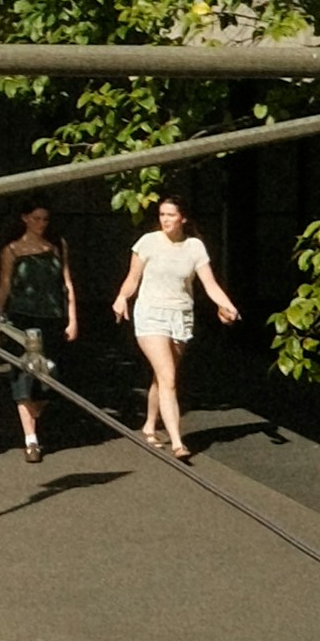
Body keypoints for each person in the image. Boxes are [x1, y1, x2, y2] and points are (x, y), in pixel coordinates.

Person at [116, 189, 238, 461]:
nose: (165, 220)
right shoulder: (147, 242)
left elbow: (210, 284)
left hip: (180, 317)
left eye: (171, 215)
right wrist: (122, 298)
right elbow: (132, 279)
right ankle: (177, 441)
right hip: (150, 315)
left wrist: (226, 305)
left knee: (163, 377)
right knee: (169, 378)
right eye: (161, 215)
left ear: (183, 218)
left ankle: (149, 424)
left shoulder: (194, 247)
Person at [0, 204, 71, 458]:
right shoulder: (12, 250)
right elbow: (4, 286)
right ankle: (31, 439)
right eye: (36, 218)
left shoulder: (56, 246)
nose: (41, 223)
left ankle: (35, 411)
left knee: (50, 374)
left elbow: (66, 284)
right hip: (21, 319)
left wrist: (72, 317)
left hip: (52, 317)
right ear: (25, 219)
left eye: (45, 219)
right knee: (23, 375)